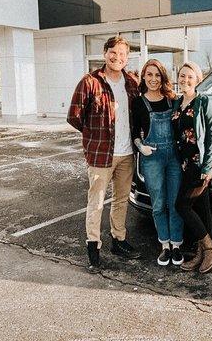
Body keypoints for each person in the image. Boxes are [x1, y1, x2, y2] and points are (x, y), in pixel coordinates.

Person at [67, 36, 141, 268]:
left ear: (127, 58)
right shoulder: (90, 82)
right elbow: (74, 116)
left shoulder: (131, 83)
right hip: (101, 155)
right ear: (105, 53)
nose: (117, 57)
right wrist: (94, 136)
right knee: (96, 201)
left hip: (126, 153)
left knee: (121, 200)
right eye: (113, 52)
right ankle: (93, 244)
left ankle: (118, 240)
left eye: (122, 54)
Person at [131, 59, 184, 266]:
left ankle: (177, 245)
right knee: (159, 204)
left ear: (162, 77)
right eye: (149, 75)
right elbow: (135, 132)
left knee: (175, 203)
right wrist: (140, 146)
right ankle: (164, 245)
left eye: (157, 75)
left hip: (173, 158)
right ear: (143, 76)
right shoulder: (138, 102)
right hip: (151, 157)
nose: (153, 79)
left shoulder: (173, 100)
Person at [172, 61, 212, 273]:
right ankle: (201, 253)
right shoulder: (177, 103)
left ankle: (211, 248)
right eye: (182, 76)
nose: (185, 80)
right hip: (185, 164)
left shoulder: (204, 102)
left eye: (190, 76)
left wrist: (208, 167)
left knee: (181, 206)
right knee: (202, 208)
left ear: (198, 79)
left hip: (200, 165)